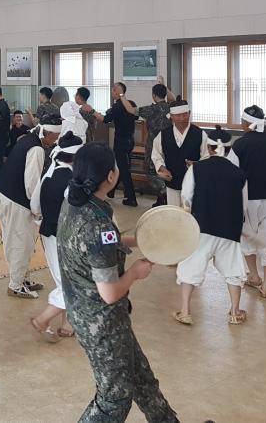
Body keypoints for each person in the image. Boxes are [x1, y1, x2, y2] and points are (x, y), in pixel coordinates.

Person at [57, 142, 179, 423]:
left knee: (142, 379)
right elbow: (110, 292)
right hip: (101, 322)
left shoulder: (77, 202)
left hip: (91, 314)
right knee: (114, 398)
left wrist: (140, 240)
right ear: (111, 176)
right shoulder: (95, 224)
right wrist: (135, 272)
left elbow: (100, 244)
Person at [174, 126, 248, 326]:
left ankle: (185, 311)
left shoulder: (196, 168)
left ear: (208, 147)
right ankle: (235, 312)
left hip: (201, 227)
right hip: (229, 229)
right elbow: (244, 205)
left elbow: (186, 197)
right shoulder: (239, 173)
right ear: (229, 149)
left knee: (191, 265)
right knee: (233, 269)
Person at [0, 121, 61, 299]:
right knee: (20, 242)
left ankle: (22, 279)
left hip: (8, 195)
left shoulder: (27, 139)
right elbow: (32, 183)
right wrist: (37, 209)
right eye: (55, 137)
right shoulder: (37, 149)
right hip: (17, 201)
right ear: (47, 134)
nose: (55, 141)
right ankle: (15, 285)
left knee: (19, 241)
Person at [29, 132, 82, 342]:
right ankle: (42, 320)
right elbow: (75, 210)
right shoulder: (71, 180)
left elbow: (35, 205)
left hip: (48, 233)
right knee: (69, 283)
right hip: (63, 236)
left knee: (63, 278)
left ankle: (67, 324)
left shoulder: (49, 173)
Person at [233, 105, 266, 300]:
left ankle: (254, 277)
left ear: (245, 123)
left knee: (248, 236)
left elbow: (232, 172)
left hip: (248, 198)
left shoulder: (240, 144)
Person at [151, 99, 208, 207]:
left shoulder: (200, 134)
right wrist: (162, 168)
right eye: (178, 115)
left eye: (185, 114)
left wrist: (197, 165)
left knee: (191, 213)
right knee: (174, 212)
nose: (182, 119)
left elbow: (207, 157)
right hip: (172, 182)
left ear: (189, 113)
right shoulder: (163, 134)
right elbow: (156, 154)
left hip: (193, 183)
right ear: (171, 116)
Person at [89, 83, 139, 206]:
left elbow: (105, 119)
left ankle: (131, 198)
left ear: (117, 92)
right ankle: (111, 191)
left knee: (123, 169)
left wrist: (92, 111)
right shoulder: (131, 103)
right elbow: (135, 117)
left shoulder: (117, 106)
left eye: (113, 90)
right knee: (120, 166)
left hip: (121, 141)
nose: (112, 92)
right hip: (130, 140)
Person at [136, 79, 176, 207]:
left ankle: (163, 191)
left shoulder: (150, 109)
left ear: (153, 95)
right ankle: (161, 198)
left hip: (153, 144)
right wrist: (164, 86)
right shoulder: (170, 107)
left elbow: (132, 110)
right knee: (165, 169)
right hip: (169, 144)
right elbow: (173, 98)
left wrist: (122, 96)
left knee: (150, 171)